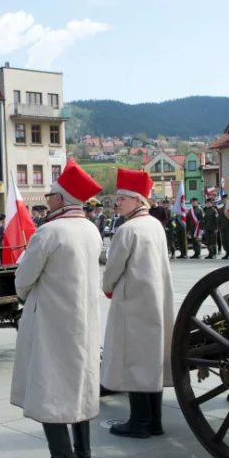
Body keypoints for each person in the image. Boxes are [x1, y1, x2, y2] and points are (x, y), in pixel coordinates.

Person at [12, 161, 103, 458]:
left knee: (50, 385)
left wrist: (24, 297)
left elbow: (23, 279)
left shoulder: (49, 231)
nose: (47, 198)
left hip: (52, 320)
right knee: (79, 383)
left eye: (51, 194)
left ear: (62, 199)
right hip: (84, 319)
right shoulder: (91, 229)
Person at [102, 169, 174, 439]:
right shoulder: (155, 224)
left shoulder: (128, 229)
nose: (117, 203)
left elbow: (112, 270)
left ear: (136, 200)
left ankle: (140, 421)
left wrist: (107, 288)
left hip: (133, 302)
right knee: (151, 358)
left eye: (122, 198)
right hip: (156, 299)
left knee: (134, 360)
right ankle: (155, 421)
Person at [218, 194, 229, 259]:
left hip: (228, 228)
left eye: (225, 199)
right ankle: (226, 253)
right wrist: (219, 226)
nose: (224, 200)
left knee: (228, 241)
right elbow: (219, 219)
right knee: (224, 241)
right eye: (223, 199)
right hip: (222, 227)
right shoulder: (221, 209)